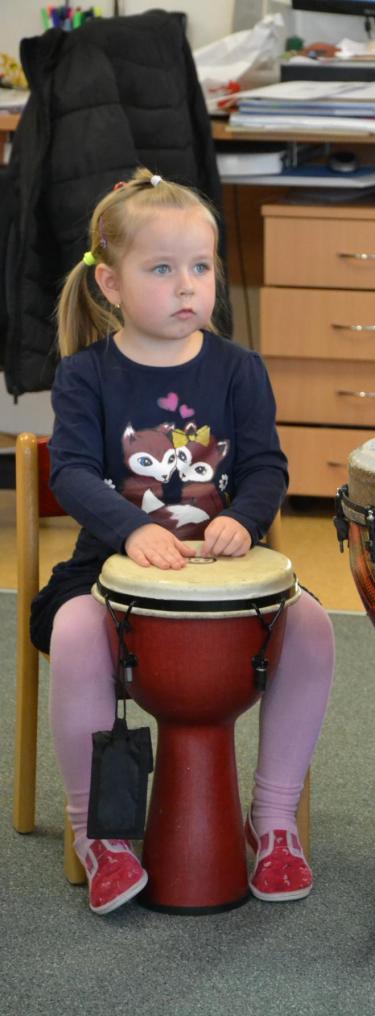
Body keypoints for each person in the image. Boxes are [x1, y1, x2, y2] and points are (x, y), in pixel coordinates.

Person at [31, 168, 335, 915]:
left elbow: (265, 467)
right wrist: (132, 528)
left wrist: (245, 518)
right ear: (110, 283)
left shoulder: (239, 370)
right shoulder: (84, 375)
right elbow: (70, 473)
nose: (186, 285)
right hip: (109, 573)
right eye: (162, 269)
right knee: (72, 630)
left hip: (227, 582)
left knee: (313, 624)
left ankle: (273, 823)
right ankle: (98, 837)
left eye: (200, 266)